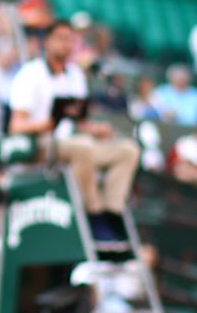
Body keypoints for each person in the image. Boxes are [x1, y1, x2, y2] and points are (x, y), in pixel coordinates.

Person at [8, 20, 140, 249]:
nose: (66, 44)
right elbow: (16, 125)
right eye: (61, 38)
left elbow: (80, 120)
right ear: (47, 41)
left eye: (70, 39)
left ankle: (112, 213)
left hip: (72, 144)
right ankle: (93, 215)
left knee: (127, 150)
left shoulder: (76, 75)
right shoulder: (31, 74)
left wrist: (97, 130)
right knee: (83, 147)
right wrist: (48, 124)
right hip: (40, 144)